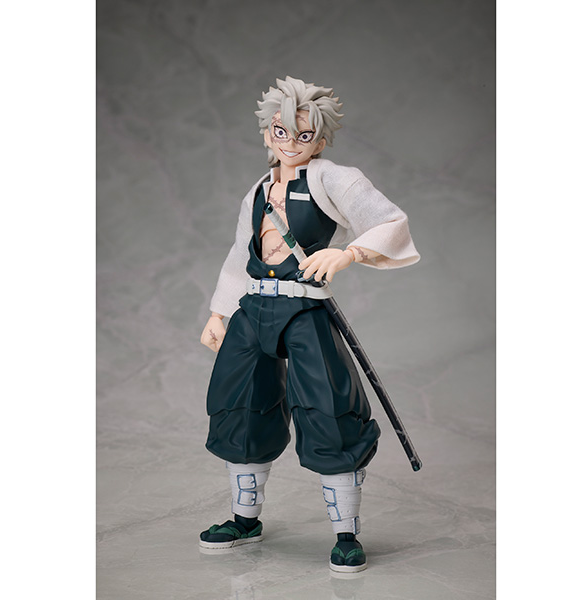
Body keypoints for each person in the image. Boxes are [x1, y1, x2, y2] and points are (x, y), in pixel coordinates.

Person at [199, 76, 420, 572]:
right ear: (267, 132)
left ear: (319, 140)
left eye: (304, 135)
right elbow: (239, 254)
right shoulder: (258, 191)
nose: (291, 143)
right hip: (253, 309)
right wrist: (219, 311)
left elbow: (390, 221)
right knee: (240, 407)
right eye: (281, 132)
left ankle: (346, 534)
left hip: (304, 309)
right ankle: (244, 519)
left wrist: (348, 253)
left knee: (329, 409)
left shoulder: (333, 179)